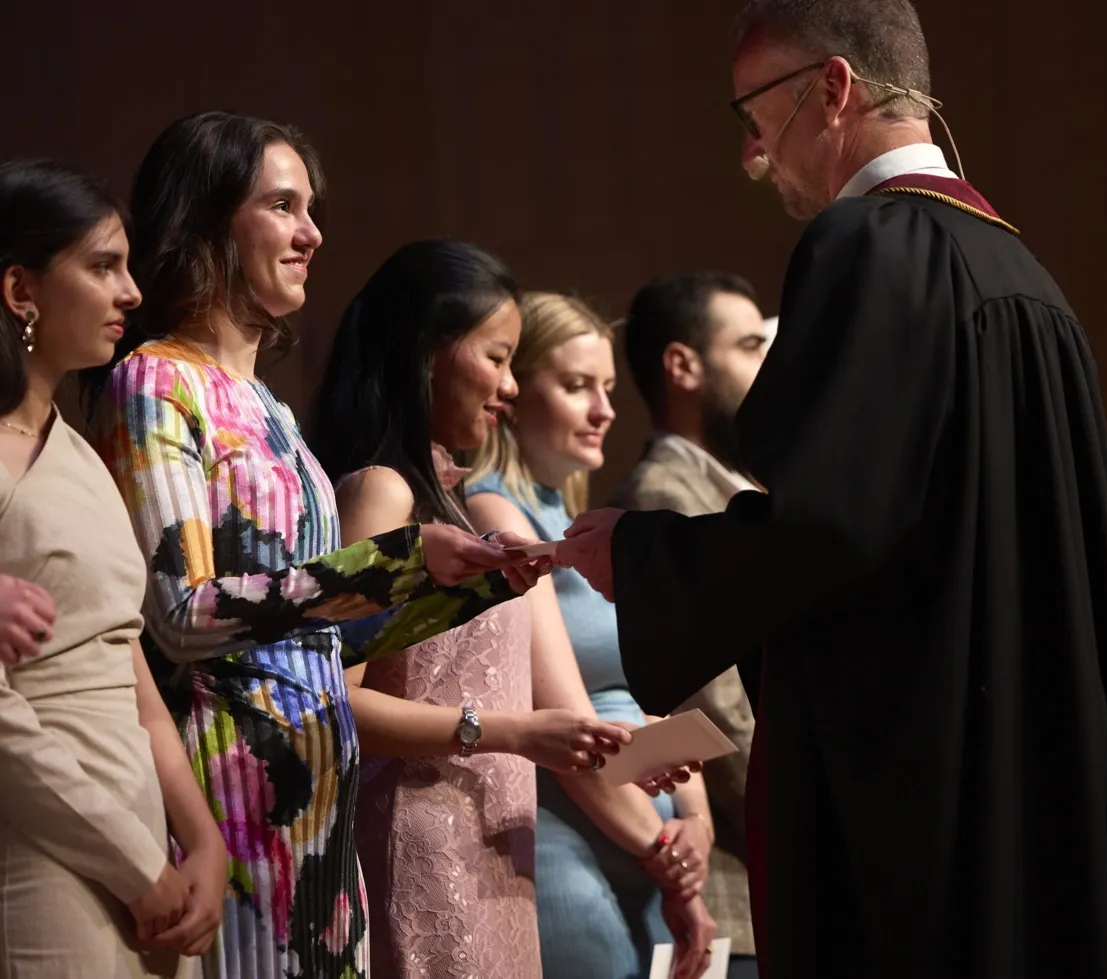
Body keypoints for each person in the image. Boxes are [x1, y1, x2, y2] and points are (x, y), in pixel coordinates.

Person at [555, 3, 1107, 977]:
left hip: (934, 788)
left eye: (755, 117)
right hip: (1038, 763)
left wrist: (639, 556)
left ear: (834, 88)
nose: (756, 155)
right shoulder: (1025, 271)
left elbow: (830, 522)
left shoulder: (869, 244)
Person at [83, 114, 547, 979]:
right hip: (233, 792)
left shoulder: (271, 409)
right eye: (284, 206)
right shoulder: (155, 380)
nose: (313, 233)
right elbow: (185, 617)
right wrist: (399, 562)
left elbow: (316, 638)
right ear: (210, 220)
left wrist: (475, 584)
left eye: (312, 207)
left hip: (321, 814)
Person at [308, 238, 636, 979]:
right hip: (424, 856)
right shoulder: (384, 492)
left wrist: (592, 744)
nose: (511, 387)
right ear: (428, 352)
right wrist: (512, 732)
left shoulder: (450, 498)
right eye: (496, 357)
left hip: (487, 849)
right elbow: (335, 701)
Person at [0, 158, 228, 977]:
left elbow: (130, 670)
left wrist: (201, 840)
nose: (132, 293)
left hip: (148, 856)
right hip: (39, 849)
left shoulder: (82, 455)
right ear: (20, 290)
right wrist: (136, 865)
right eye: (102, 267)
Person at [466, 292, 719, 979]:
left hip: (644, 845)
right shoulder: (496, 510)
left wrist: (695, 818)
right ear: (515, 394)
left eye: (607, 387)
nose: (605, 409)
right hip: (563, 843)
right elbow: (567, 719)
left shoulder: (582, 517)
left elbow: (649, 697)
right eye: (578, 386)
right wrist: (666, 846)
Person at [611, 271, 770, 979]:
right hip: (731, 884)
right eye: (750, 345)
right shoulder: (666, 498)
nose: (772, 364)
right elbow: (715, 705)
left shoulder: (738, 490)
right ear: (682, 365)